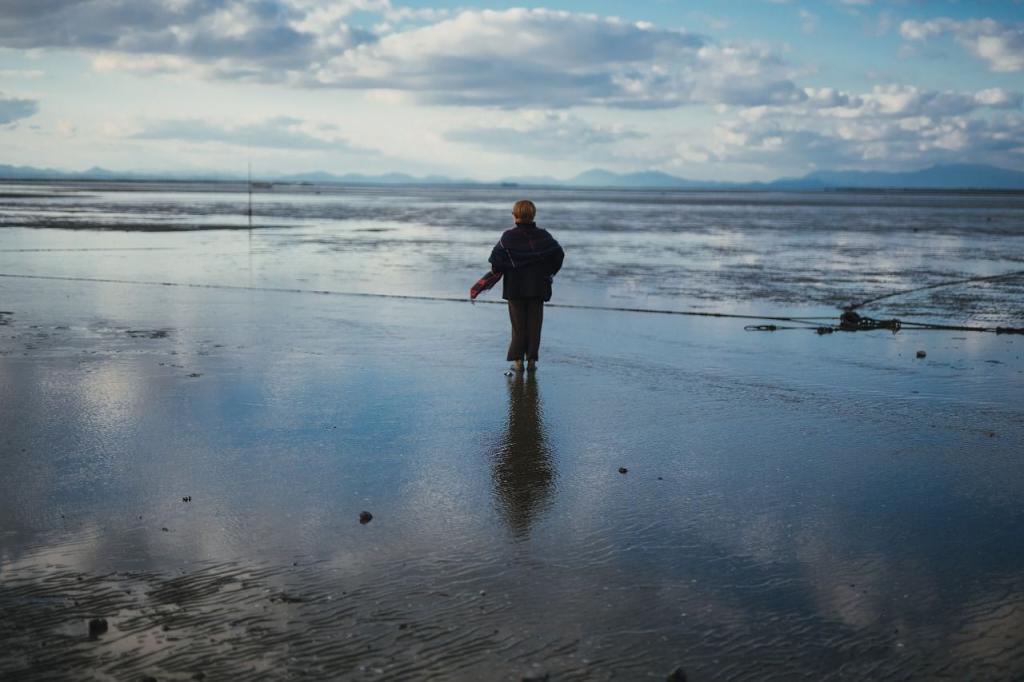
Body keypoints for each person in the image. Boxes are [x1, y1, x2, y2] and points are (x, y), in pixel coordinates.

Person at [487, 200, 564, 372]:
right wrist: (548, 272)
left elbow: (495, 260)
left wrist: (501, 269)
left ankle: (518, 361)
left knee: (518, 325)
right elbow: (558, 255)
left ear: (515, 216)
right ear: (533, 215)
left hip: (515, 287)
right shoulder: (544, 236)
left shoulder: (508, 237)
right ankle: (531, 361)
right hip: (538, 287)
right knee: (535, 325)